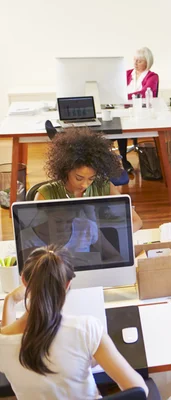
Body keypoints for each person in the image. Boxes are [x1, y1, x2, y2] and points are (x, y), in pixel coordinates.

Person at [0, 246, 148, 399]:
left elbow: (8, 341)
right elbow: (140, 390)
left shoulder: (2, 344)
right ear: (67, 284)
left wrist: (10, 301)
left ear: (23, 280)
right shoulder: (86, 329)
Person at [35, 127, 143, 232]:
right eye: (79, 178)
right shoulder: (45, 194)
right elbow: (35, 232)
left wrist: (121, 237)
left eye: (91, 178)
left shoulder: (104, 185)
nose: (85, 185)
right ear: (66, 170)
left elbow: (136, 221)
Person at [120, 47, 159, 172]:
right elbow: (116, 88)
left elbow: (145, 93)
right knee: (119, 126)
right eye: (135, 60)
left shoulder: (152, 76)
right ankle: (123, 160)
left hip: (142, 111)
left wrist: (124, 98)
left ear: (147, 62)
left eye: (139, 61)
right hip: (124, 109)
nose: (135, 63)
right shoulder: (126, 74)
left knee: (123, 125)